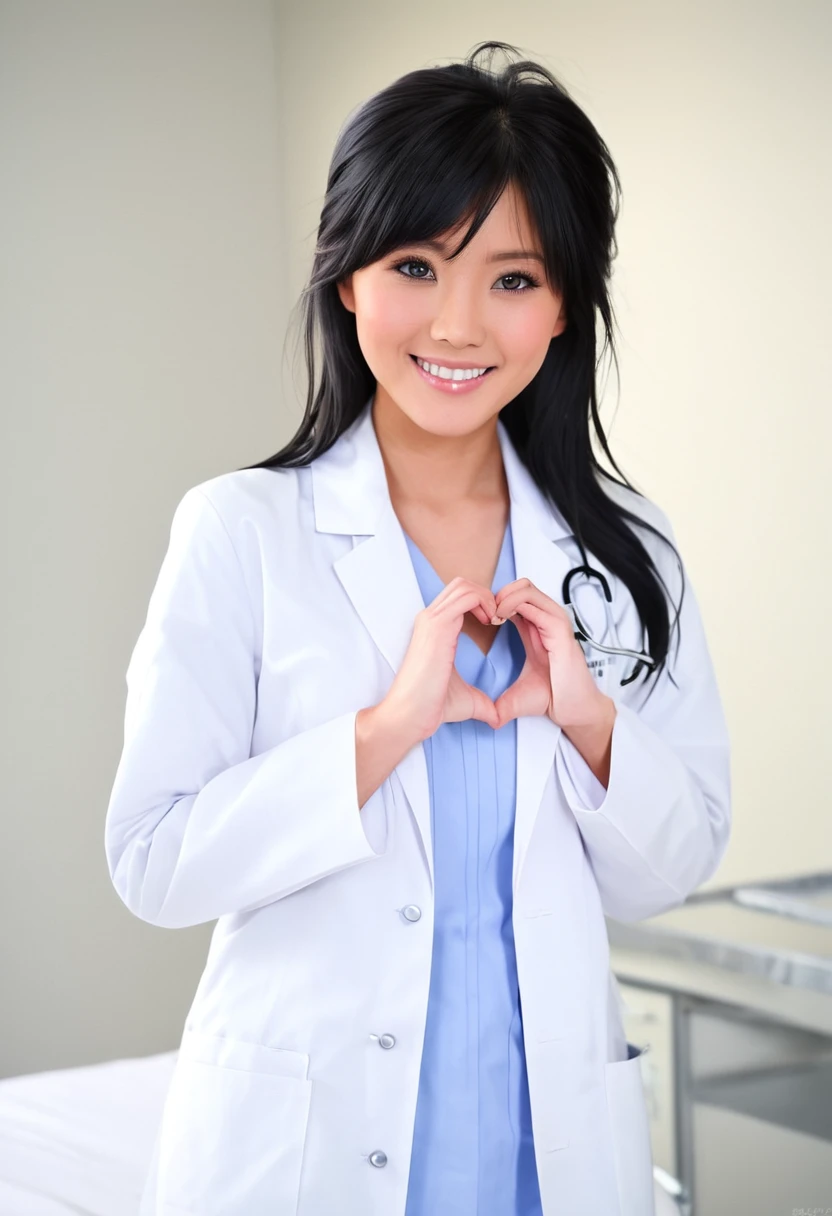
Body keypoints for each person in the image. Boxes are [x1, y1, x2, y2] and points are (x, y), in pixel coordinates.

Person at [106, 40, 731, 1216]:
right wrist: (386, 727)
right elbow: (154, 858)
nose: (456, 324)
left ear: (563, 307)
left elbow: (675, 862)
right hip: (302, 1158)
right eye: (414, 264)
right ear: (347, 279)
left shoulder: (626, 550)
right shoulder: (242, 529)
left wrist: (588, 716)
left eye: (511, 278)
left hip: (543, 1160)